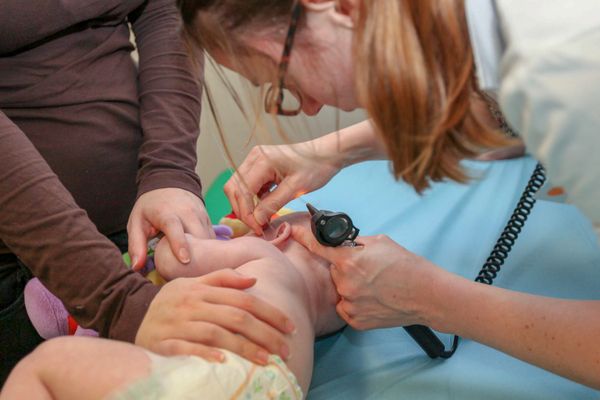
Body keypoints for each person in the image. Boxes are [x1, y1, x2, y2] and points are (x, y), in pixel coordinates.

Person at [176, 0, 600, 389]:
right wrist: (331, 151)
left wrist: (432, 300)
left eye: (284, 80)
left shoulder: (566, 69)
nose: (308, 108)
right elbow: (500, 113)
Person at [0, 0, 294, 384]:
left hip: (144, 234)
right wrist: (120, 303)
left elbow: (163, 5)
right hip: (28, 273)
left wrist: (168, 172)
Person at [0, 213, 344, 399]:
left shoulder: (267, 255)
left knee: (48, 363)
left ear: (280, 234)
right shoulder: (302, 342)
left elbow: (175, 260)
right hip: (273, 391)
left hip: (216, 378)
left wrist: (183, 240)